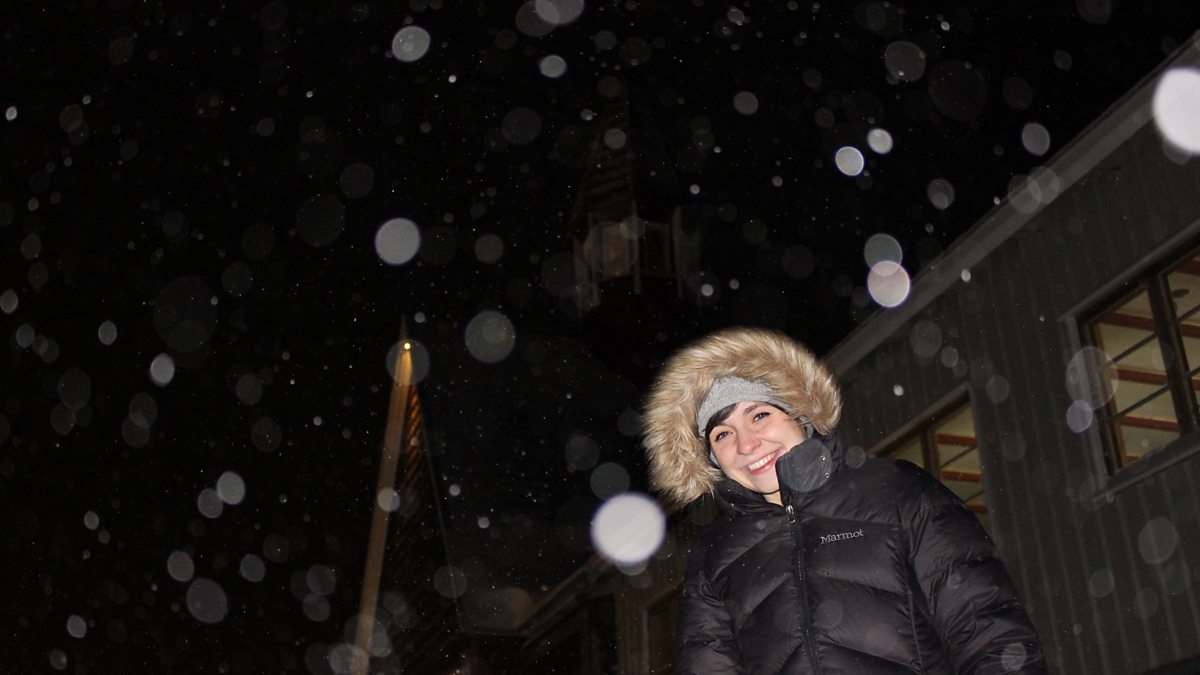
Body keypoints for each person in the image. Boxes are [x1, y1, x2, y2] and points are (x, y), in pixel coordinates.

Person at [642, 327, 1045, 674]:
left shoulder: (894, 492)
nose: (746, 444)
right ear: (712, 460)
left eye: (759, 415)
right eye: (723, 434)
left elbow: (988, 631)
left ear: (799, 414)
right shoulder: (715, 554)